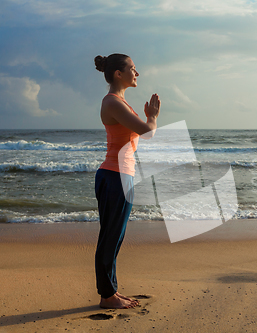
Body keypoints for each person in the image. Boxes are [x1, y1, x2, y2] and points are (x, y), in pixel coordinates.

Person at [94, 53, 160, 309]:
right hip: (114, 176)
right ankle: (107, 296)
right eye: (133, 68)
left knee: (115, 236)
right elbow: (149, 132)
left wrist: (147, 118)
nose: (137, 73)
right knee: (111, 237)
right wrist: (152, 115)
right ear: (118, 74)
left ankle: (110, 291)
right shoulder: (112, 102)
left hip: (120, 175)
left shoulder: (119, 101)